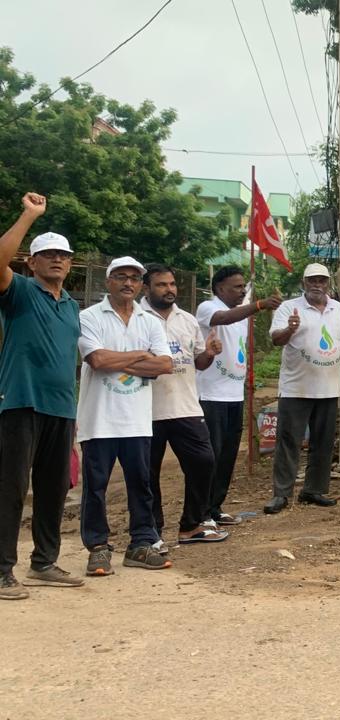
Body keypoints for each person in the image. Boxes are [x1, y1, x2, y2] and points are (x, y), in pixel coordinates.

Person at [0, 194, 85, 598]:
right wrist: (29, 215)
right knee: (11, 488)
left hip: (61, 409)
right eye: (47, 254)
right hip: (20, 403)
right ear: (31, 262)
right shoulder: (18, 291)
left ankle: (44, 562)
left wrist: (74, 416)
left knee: (53, 490)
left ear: (70, 263)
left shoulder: (71, 306)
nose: (57, 260)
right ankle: (2, 570)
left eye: (63, 255)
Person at [78, 256, 175, 575]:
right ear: (108, 281)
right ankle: (98, 548)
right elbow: (96, 360)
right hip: (98, 420)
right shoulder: (90, 316)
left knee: (141, 484)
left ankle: (141, 544)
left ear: (141, 285)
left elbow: (165, 364)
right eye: (121, 276)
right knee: (96, 487)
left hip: (136, 420)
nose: (128, 283)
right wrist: (140, 356)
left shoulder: (149, 321)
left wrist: (117, 360)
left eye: (134, 278)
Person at [141, 264, 228, 547]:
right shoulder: (136, 318)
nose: (169, 290)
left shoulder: (187, 320)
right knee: (147, 473)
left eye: (172, 284)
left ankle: (191, 525)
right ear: (146, 288)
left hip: (186, 407)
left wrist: (210, 354)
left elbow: (199, 363)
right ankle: (152, 532)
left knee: (204, 462)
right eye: (161, 285)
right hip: (146, 410)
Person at [264, 264, 340, 514]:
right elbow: (276, 340)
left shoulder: (337, 308)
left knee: (323, 442)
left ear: (328, 283)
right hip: (296, 388)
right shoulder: (288, 308)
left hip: (328, 387)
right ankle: (281, 494)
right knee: (289, 442)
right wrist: (290, 328)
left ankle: (314, 490)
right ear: (304, 283)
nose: (317, 285)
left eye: (322, 280)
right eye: (312, 280)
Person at [195, 265, 282, 526]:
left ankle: (215, 507)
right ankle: (200, 512)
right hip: (211, 396)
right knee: (210, 456)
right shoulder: (208, 307)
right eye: (237, 286)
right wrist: (259, 305)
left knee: (227, 456)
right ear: (220, 288)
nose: (242, 291)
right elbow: (223, 318)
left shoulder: (243, 316)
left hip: (234, 395)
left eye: (244, 286)